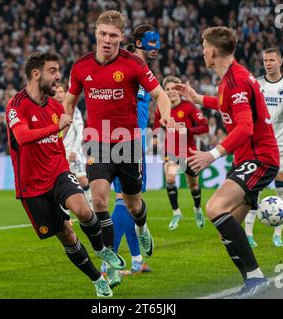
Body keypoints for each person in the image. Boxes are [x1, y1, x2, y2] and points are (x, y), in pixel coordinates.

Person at [62, 11, 175, 288]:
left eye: (113, 35)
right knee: (99, 201)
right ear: (96, 34)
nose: (107, 40)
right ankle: (109, 261)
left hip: (128, 144)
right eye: (103, 34)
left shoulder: (133, 65)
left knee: (134, 204)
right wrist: (62, 130)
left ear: (121, 37)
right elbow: (68, 102)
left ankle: (142, 226)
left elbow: (160, 94)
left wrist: (167, 115)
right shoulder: (80, 67)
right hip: (97, 143)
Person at [5, 51, 126, 298]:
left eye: (59, 70)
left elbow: (57, 142)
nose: (59, 76)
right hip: (31, 186)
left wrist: (64, 159)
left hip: (58, 172)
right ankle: (97, 279)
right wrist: (55, 127)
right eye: (53, 71)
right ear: (35, 74)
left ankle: (102, 250)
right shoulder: (16, 105)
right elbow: (21, 137)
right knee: (67, 235)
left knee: (83, 210)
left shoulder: (55, 106)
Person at [173, 26, 280, 298]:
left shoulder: (236, 80)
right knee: (227, 229)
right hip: (248, 158)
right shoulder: (232, 78)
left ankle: (257, 279)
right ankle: (252, 285)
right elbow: (226, 103)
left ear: (212, 50)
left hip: (260, 158)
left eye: (202, 46)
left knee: (214, 207)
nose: (201, 51)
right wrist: (198, 99)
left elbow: (244, 128)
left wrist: (212, 154)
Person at [109, 24, 162, 282]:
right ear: (139, 42)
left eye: (158, 42)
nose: (156, 47)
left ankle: (135, 258)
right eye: (151, 42)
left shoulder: (144, 70)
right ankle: (110, 259)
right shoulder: (127, 64)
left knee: (130, 202)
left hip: (133, 138)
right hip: (124, 138)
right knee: (126, 200)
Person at [244, 48, 283, 248]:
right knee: (255, 187)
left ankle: (278, 235)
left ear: (280, 62)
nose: (268, 63)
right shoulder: (256, 84)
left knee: (281, 188)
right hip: (260, 142)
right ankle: (248, 233)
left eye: (272, 60)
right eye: (265, 60)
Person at [153, 76, 209, 231]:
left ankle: (197, 209)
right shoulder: (161, 109)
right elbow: (157, 129)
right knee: (170, 179)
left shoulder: (189, 107)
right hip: (171, 153)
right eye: (167, 89)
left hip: (189, 153)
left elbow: (205, 127)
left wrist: (187, 130)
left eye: (173, 88)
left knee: (193, 185)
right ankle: (176, 212)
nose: (170, 92)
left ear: (179, 90)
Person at [54, 83, 93, 210]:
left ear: (66, 93)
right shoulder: (51, 110)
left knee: (82, 180)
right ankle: (65, 215)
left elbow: (80, 130)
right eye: (56, 92)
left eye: (61, 91)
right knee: (60, 183)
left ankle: (92, 209)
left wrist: (75, 151)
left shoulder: (72, 110)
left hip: (73, 152)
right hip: (58, 154)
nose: (59, 94)